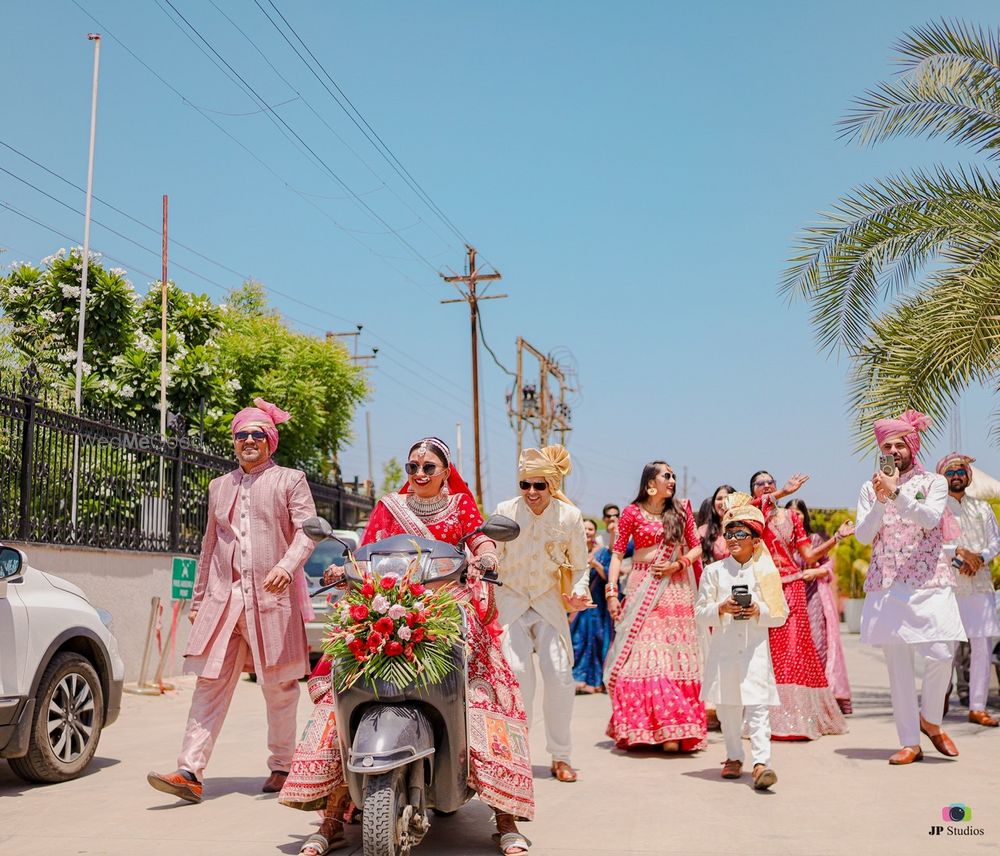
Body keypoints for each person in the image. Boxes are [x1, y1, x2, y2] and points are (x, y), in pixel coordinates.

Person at [280, 437, 534, 856]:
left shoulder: (460, 506)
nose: (419, 474)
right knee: (337, 701)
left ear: (444, 472)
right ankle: (330, 820)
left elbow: (480, 541)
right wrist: (344, 570)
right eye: (412, 466)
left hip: (446, 612)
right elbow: (362, 550)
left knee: (487, 697)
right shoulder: (388, 507)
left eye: (428, 467)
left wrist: (487, 557)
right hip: (385, 609)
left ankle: (504, 819)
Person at [147, 399, 316, 804]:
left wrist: (288, 565)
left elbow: (308, 531)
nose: (249, 440)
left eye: (258, 434)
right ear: (234, 442)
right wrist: (199, 599)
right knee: (209, 682)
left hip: (272, 601)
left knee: (279, 686)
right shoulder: (218, 486)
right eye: (242, 435)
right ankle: (189, 770)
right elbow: (210, 546)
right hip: (226, 602)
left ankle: (283, 766)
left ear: (270, 441)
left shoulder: (291, 480)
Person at [854, 411, 966, 765]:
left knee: (942, 653)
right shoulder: (868, 489)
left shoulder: (934, 483)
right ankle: (909, 742)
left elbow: (930, 518)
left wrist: (897, 493)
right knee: (898, 666)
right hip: (887, 583)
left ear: (912, 447)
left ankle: (931, 719)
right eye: (887, 445)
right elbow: (862, 535)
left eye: (900, 444)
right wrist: (880, 501)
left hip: (929, 580)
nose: (893, 450)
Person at [493, 445, 592, 784]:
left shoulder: (570, 517)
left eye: (540, 485)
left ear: (552, 485)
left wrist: (580, 592)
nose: (532, 492)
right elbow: (490, 557)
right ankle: (518, 757)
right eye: (525, 485)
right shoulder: (505, 512)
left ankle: (561, 756)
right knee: (518, 675)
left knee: (561, 676)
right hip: (511, 599)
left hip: (549, 601)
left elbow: (580, 566)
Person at [604, 461, 707, 752]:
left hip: (675, 591)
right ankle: (646, 729)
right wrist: (612, 591)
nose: (672, 480)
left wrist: (678, 563)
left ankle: (673, 730)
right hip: (641, 587)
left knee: (672, 659)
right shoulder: (632, 512)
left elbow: (696, 546)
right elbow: (616, 554)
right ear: (651, 484)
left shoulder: (681, 510)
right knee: (642, 659)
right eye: (667, 476)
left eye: (674, 476)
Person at [749, 471, 850, 739]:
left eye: (770, 481)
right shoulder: (750, 515)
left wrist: (836, 538)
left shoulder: (791, 517)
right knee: (768, 652)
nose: (767, 486)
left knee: (794, 648)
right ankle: (767, 719)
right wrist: (781, 493)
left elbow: (808, 554)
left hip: (792, 585)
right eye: (760, 483)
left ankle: (797, 719)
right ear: (753, 490)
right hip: (763, 588)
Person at [696, 498, 788, 790]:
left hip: (755, 650)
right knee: (728, 707)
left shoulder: (767, 573)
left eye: (740, 534)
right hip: (724, 650)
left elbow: (780, 615)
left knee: (758, 706)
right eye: (729, 534)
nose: (733, 540)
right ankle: (734, 756)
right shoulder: (714, 572)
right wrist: (721, 609)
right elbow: (699, 614)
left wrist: (758, 610)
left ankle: (762, 763)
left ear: (755, 539)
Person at [936, 452, 1000, 727]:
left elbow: (996, 542)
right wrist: (960, 556)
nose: (956, 476)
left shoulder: (982, 508)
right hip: (949, 586)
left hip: (980, 583)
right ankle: (938, 699)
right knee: (944, 648)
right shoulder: (936, 510)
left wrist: (980, 559)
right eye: (950, 473)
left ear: (968, 476)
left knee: (982, 646)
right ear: (943, 478)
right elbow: (933, 546)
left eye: (960, 472)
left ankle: (977, 706)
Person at [786, 499, 853, 715]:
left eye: (799, 512)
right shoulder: (782, 541)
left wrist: (816, 572)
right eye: (791, 512)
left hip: (812, 595)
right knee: (792, 647)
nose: (796, 516)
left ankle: (822, 699)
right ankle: (798, 700)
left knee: (817, 643)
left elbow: (827, 563)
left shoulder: (813, 539)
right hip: (786, 596)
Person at [570, 518, 614, 694]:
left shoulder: (602, 552)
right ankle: (578, 679)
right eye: (584, 528)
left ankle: (596, 682)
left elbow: (610, 577)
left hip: (597, 604)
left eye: (590, 529)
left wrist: (595, 564)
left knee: (597, 640)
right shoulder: (573, 551)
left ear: (595, 532)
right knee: (578, 641)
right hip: (578, 606)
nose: (587, 531)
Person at [698, 484, 737, 563]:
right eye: (719, 499)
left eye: (727, 498)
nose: (723, 502)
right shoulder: (703, 531)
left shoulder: (745, 528)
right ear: (713, 504)